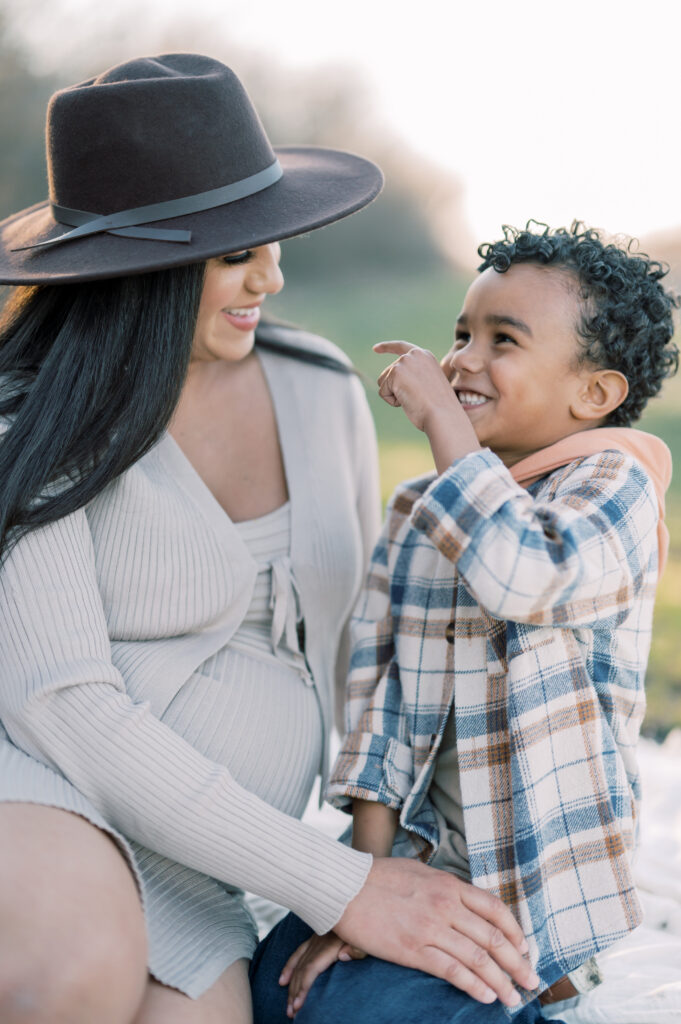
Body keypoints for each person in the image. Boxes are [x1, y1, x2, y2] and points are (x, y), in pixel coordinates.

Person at [0, 55, 539, 1024]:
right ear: (139, 270)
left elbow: (380, 644)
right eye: (231, 251)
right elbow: (65, 706)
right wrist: (343, 887)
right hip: (49, 797)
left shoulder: (319, 386)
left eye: (270, 236)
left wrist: (615, 453)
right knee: (78, 976)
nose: (272, 272)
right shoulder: (29, 420)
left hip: (217, 864)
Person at [249, 222, 679, 1023]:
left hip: (536, 880)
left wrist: (445, 425)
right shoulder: (421, 508)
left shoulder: (614, 484)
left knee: (361, 1016)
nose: (462, 359)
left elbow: (524, 575)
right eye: (461, 332)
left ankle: (532, 992)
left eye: (502, 339)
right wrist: (360, 892)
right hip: (422, 855)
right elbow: (379, 698)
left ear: (593, 394)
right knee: (274, 991)